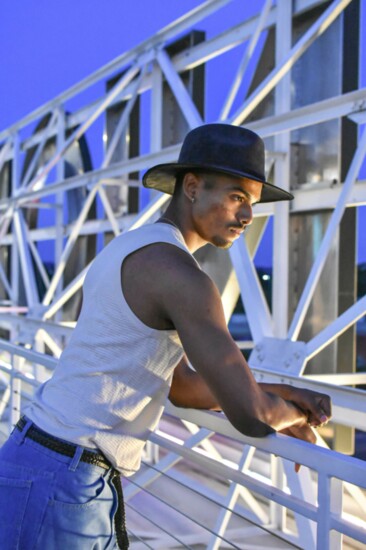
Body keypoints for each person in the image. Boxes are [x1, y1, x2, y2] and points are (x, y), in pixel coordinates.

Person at [0, 124, 331, 549]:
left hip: (38, 456)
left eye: (252, 202)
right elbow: (250, 414)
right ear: (191, 187)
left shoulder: (130, 248)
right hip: (66, 481)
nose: (248, 216)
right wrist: (294, 416)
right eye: (237, 197)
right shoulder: (181, 277)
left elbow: (184, 388)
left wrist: (283, 393)